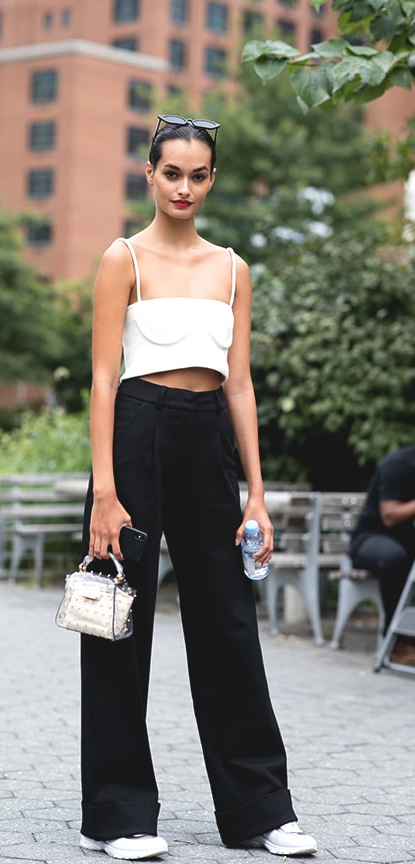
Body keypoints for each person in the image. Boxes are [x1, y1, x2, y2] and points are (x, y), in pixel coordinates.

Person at [78, 114, 317, 860]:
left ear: (212, 179)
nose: (185, 186)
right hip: (138, 432)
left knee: (228, 626)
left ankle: (259, 813)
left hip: (210, 436)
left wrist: (256, 492)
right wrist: (106, 493)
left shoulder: (234, 268)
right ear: (149, 173)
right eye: (172, 172)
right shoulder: (123, 259)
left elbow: (240, 384)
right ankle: (116, 816)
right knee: (119, 623)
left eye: (199, 174)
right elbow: (103, 376)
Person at [349, 444, 415, 662]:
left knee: (401, 554)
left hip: (406, 542)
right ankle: (396, 641)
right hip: (369, 539)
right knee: (394, 557)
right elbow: (390, 515)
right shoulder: (398, 464)